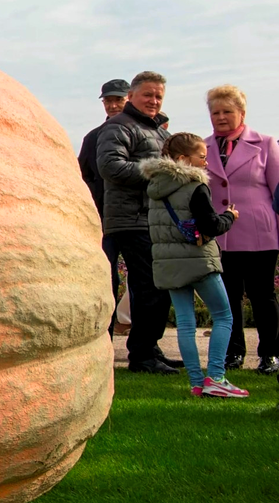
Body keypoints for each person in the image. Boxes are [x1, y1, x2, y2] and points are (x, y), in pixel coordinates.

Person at [144, 133, 247, 397]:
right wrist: (229, 216)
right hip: (199, 260)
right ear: (182, 159)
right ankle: (216, 377)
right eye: (202, 156)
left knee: (186, 323)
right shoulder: (195, 186)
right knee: (224, 316)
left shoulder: (156, 188)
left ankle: (197, 383)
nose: (206, 162)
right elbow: (210, 225)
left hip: (168, 264)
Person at [97, 71, 184, 374]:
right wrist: (158, 171)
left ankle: (149, 349)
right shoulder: (119, 127)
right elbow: (110, 166)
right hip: (131, 219)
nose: (154, 100)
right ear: (131, 96)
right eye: (148, 94)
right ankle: (143, 357)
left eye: (159, 96)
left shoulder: (157, 130)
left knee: (156, 288)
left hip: (152, 218)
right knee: (149, 287)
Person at [203, 85, 279, 374]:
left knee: (262, 296)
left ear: (242, 113)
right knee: (227, 297)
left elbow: (278, 191)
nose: (220, 117)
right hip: (220, 235)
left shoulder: (266, 143)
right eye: (215, 112)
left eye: (227, 112)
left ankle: (270, 353)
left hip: (260, 233)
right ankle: (233, 353)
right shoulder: (203, 147)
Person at [78, 79, 130, 335]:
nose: (112, 105)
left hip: (138, 218)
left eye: (118, 100)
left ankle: (145, 348)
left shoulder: (141, 132)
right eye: (108, 101)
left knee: (145, 282)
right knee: (106, 276)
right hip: (104, 219)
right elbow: (83, 175)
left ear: (129, 99)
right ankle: (104, 337)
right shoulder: (93, 138)